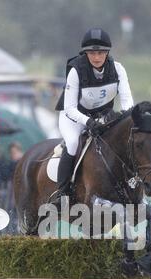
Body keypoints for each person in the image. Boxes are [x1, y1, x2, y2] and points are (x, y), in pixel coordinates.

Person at [55, 27, 134, 201]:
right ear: (86, 53)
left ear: (107, 52)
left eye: (100, 52)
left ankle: (132, 185)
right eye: (92, 53)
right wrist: (89, 122)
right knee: (74, 143)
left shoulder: (118, 69)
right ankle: (62, 193)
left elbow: (127, 100)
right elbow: (69, 108)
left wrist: (125, 118)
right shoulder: (76, 71)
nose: (96, 57)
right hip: (74, 117)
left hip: (103, 117)